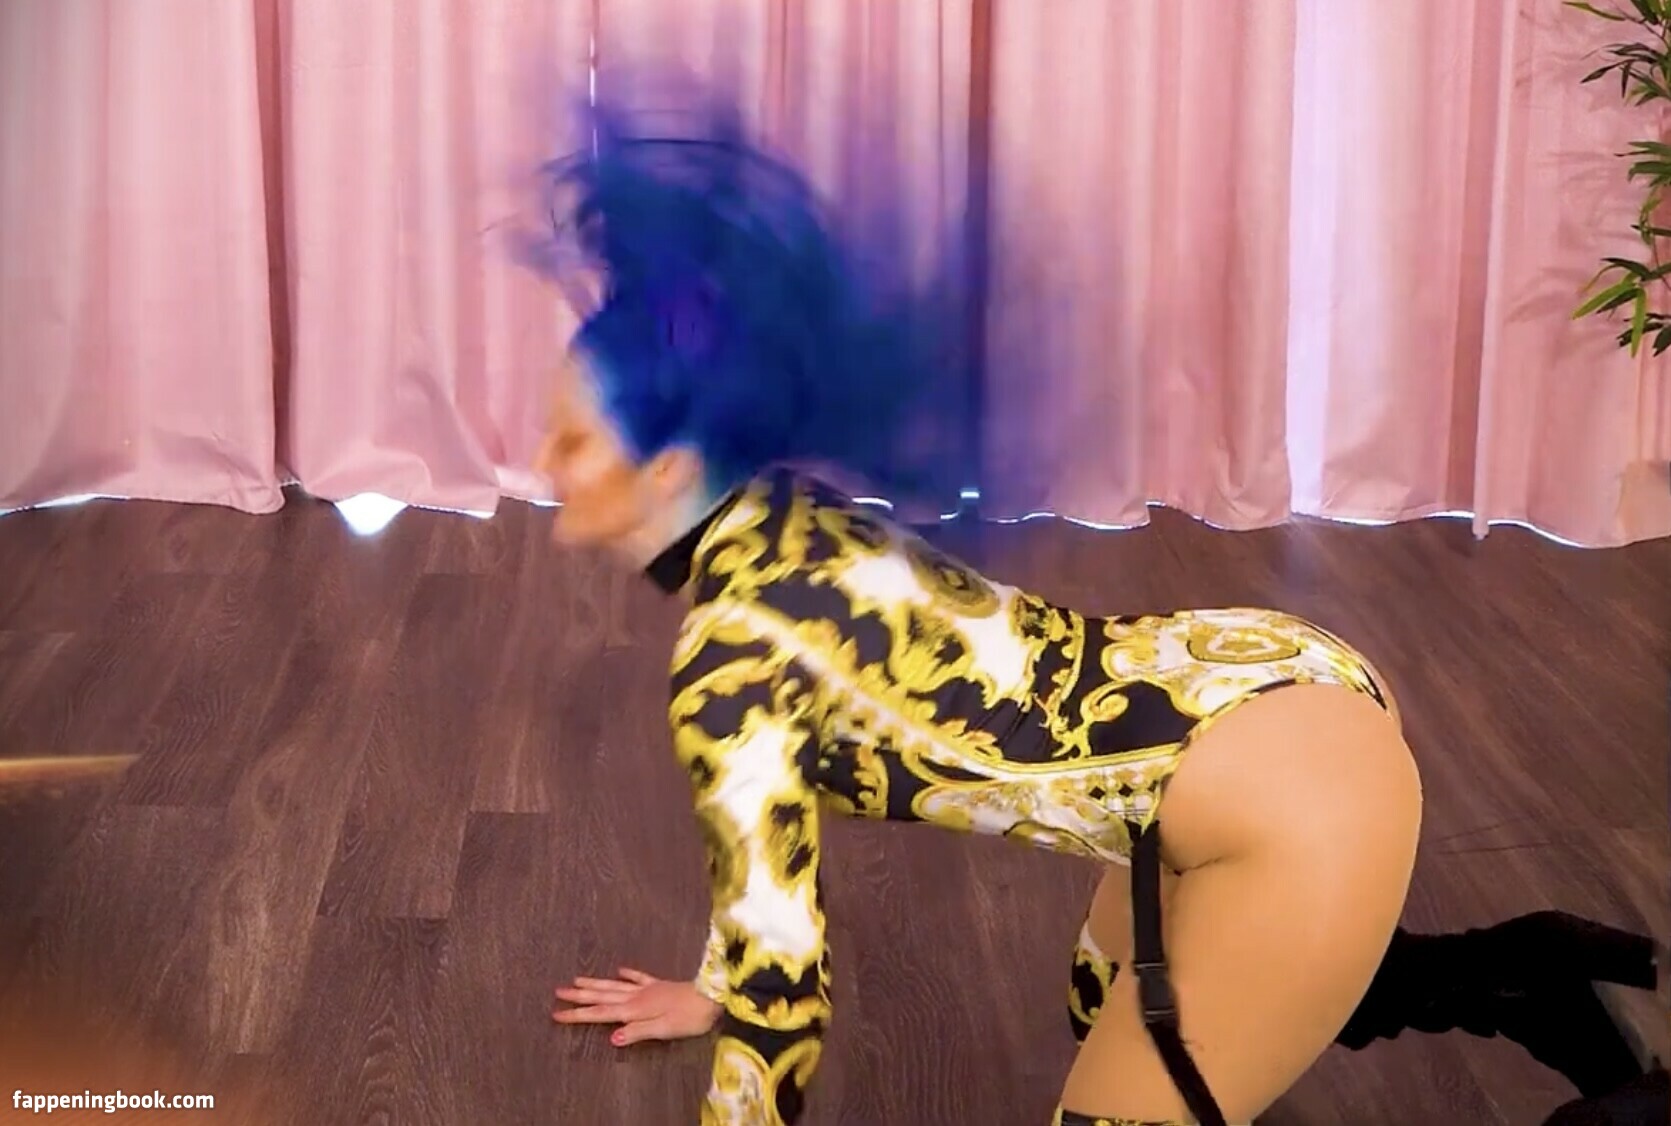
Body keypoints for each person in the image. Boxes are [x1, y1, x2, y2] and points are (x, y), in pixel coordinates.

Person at [526, 87, 1660, 1126]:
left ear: (669, 470)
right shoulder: (792, 515)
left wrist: (737, 1016)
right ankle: (1519, 978)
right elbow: (765, 853)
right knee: (1111, 998)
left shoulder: (726, 656)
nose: (546, 460)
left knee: (1156, 1055)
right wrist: (715, 988)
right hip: (1256, 684)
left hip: (1283, 793)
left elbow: (786, 1004)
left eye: (572, 439)